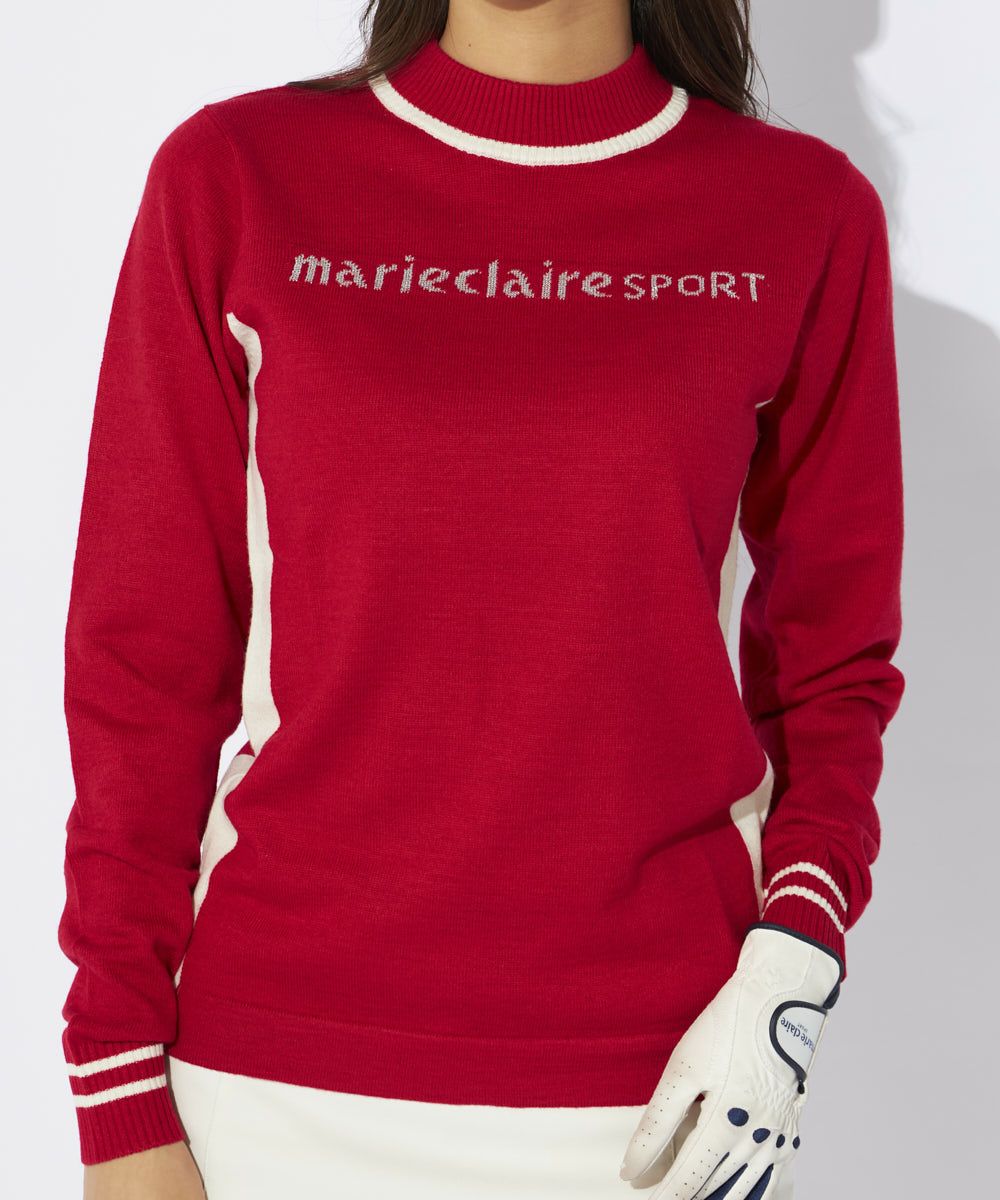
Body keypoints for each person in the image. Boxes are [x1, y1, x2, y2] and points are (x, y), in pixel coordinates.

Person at [59, 1, 906, 1197]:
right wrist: (116, 1087)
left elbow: (832, 665)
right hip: (268, 1084)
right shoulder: (238, 175)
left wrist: (791, 969)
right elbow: (143, 660)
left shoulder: (800, 211)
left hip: (658, 1093)